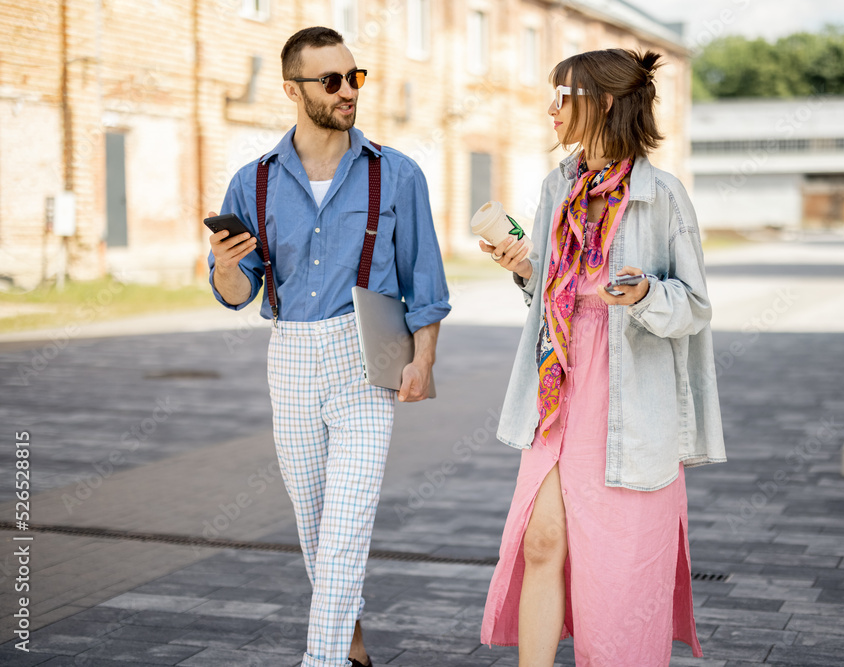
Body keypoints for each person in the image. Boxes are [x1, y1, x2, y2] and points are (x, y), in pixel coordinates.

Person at [206, 27, 450, 667]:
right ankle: (356, 652)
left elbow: (426, 281)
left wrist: (423, 360)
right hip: (289, 356)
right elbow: (237, 292)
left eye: (355, 77)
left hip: (366, 359)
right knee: (316, 531)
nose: (349, 92)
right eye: (332, 81)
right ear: (293, 89)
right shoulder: (252, 183)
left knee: (345, 530)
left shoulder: (396, 174)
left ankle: (322, 660)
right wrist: (226, 266)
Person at [478, 48, 726, 665]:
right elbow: (557, 289)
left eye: (564, 96)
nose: (551, 109)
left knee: (616, 573)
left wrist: (645, 294)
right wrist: (525, 268)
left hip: (631, 394)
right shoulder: (557, 186)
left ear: (606, 103)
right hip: (560, 385)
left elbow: (694, 307)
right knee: (541, 542)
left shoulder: (662, 196)